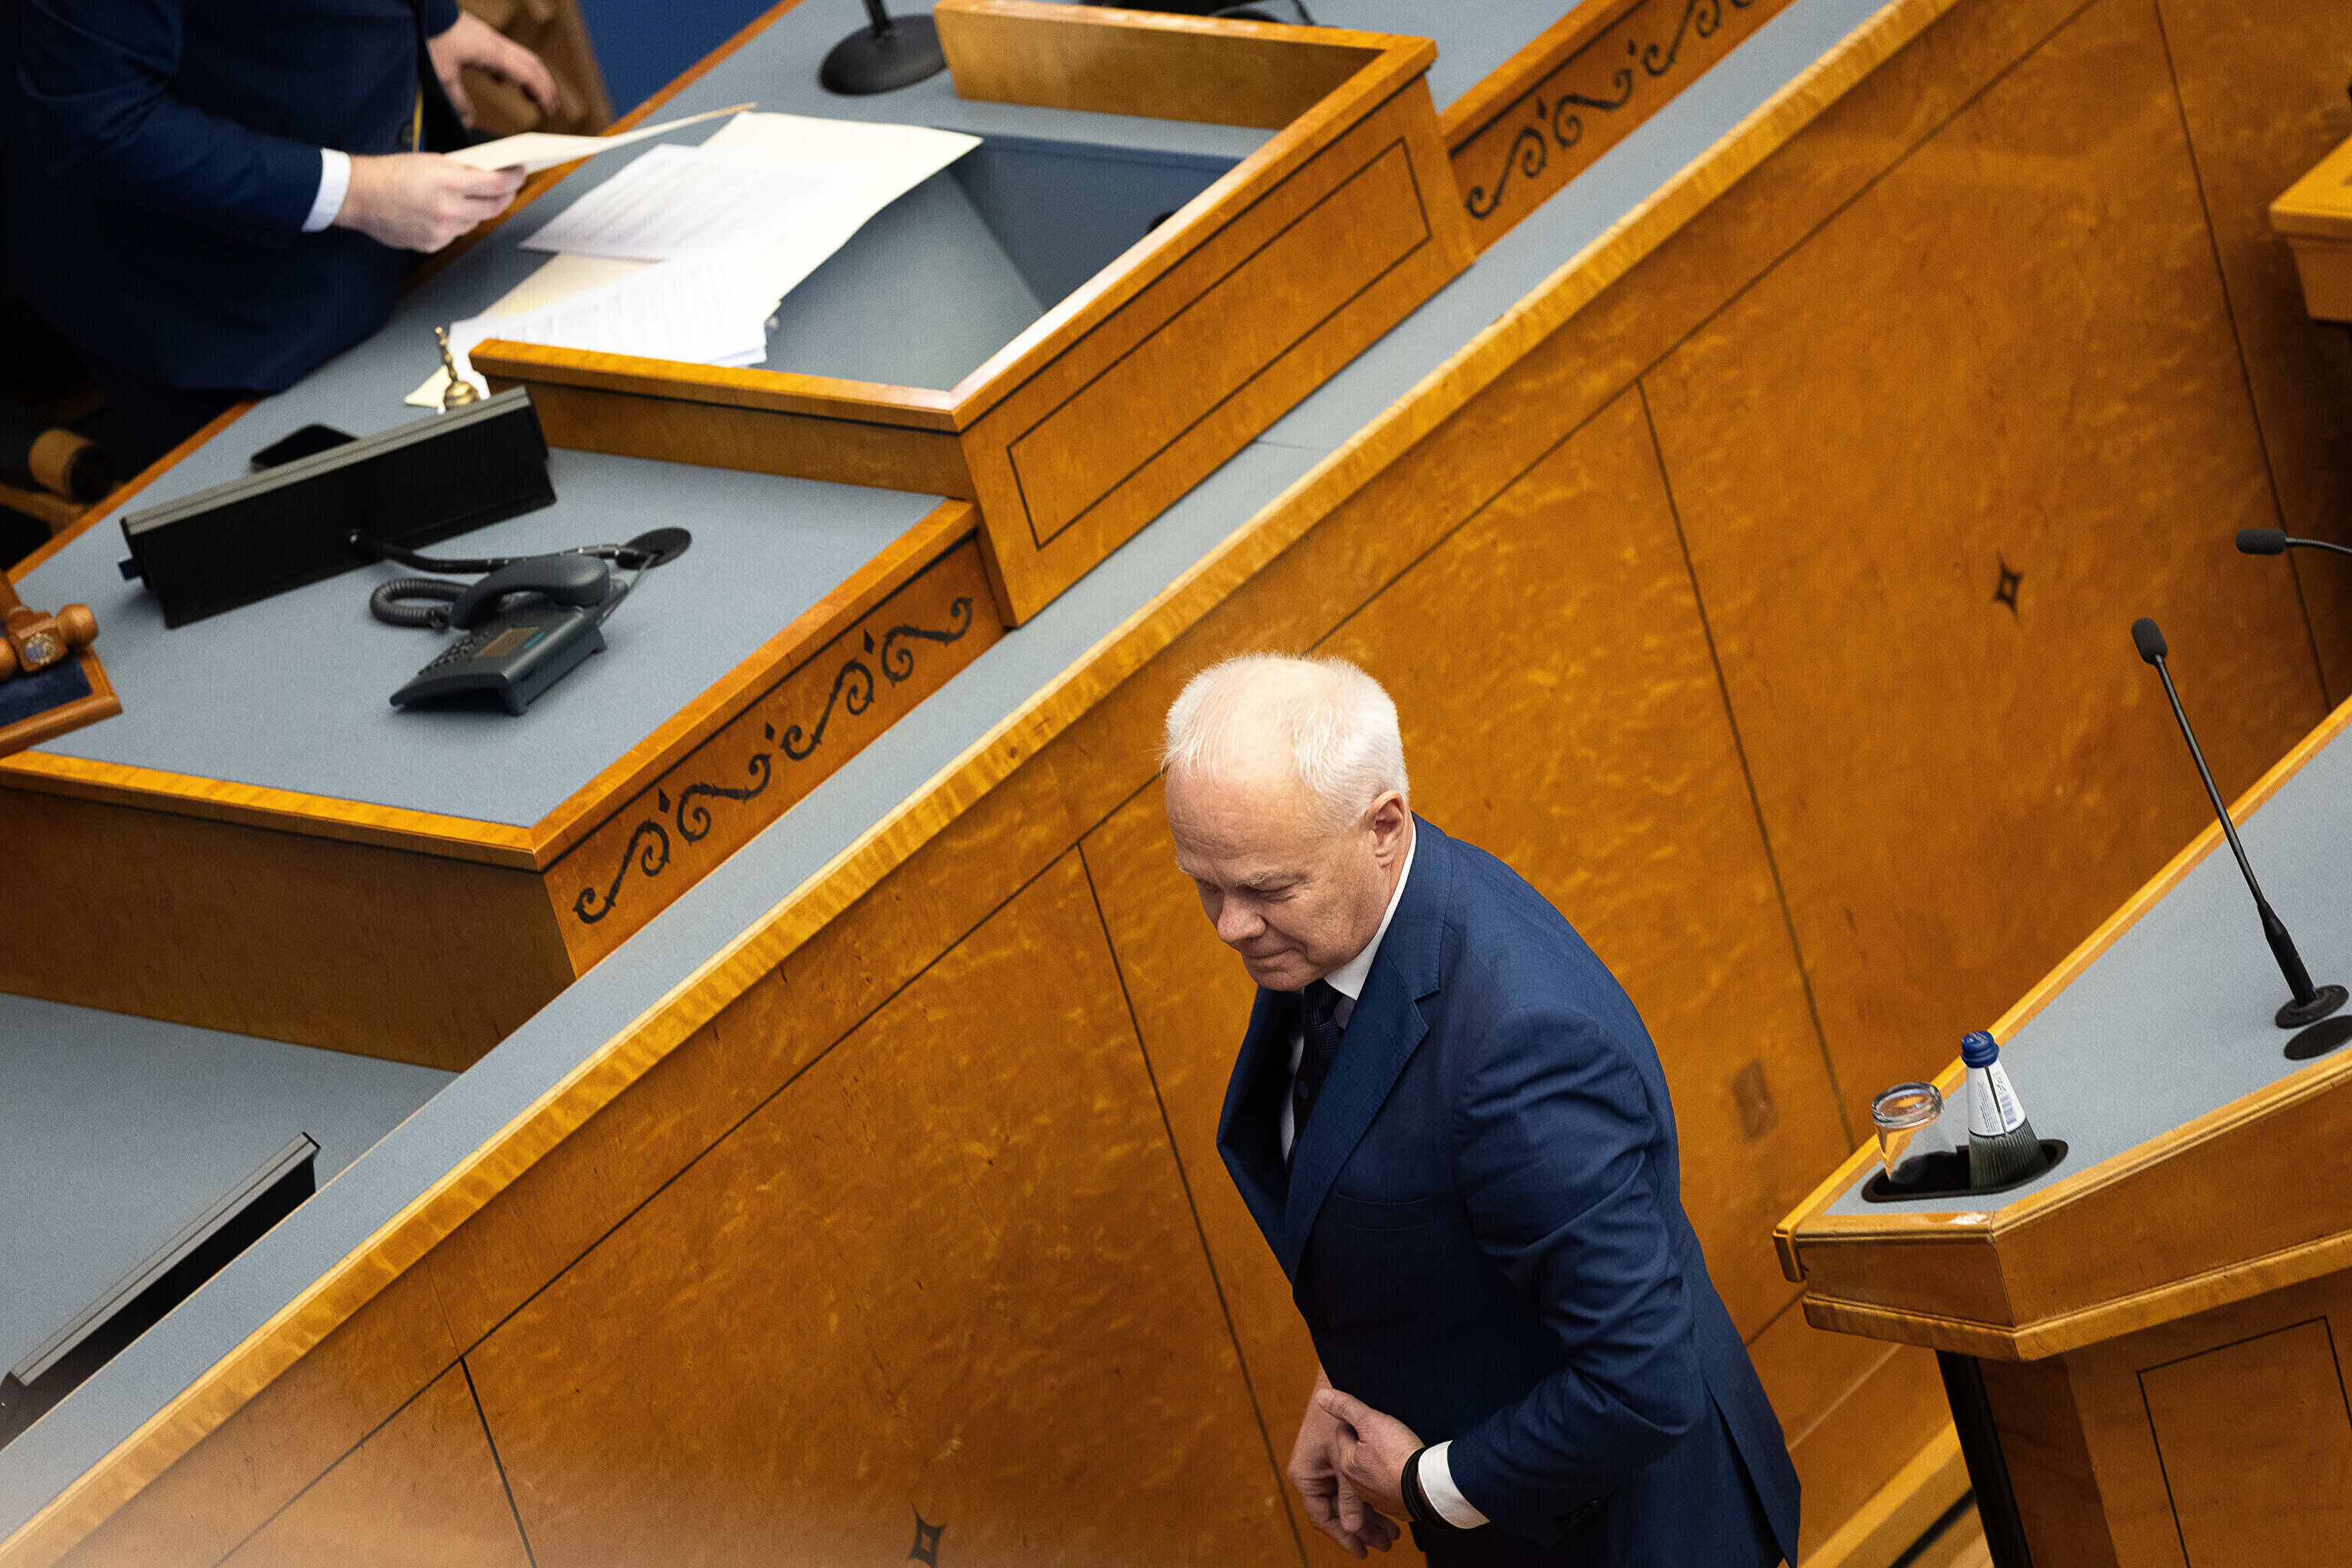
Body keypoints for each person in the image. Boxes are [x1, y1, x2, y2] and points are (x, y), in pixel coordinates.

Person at [1161, 654, 1800, 1566]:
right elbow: (1407, 1205)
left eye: (1265, 887)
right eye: (1205, 882)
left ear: (1384, 826)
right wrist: (1347, 1384)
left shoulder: (1517, 1046)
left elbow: (1643, 1382)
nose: (1229, 924)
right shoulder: (1339, 928)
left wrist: (1425, 1482)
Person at [2, 0, 558, 463]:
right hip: (212, 286)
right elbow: (96, 122)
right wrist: (356, 193)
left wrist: (432, 18)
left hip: (401, 178)